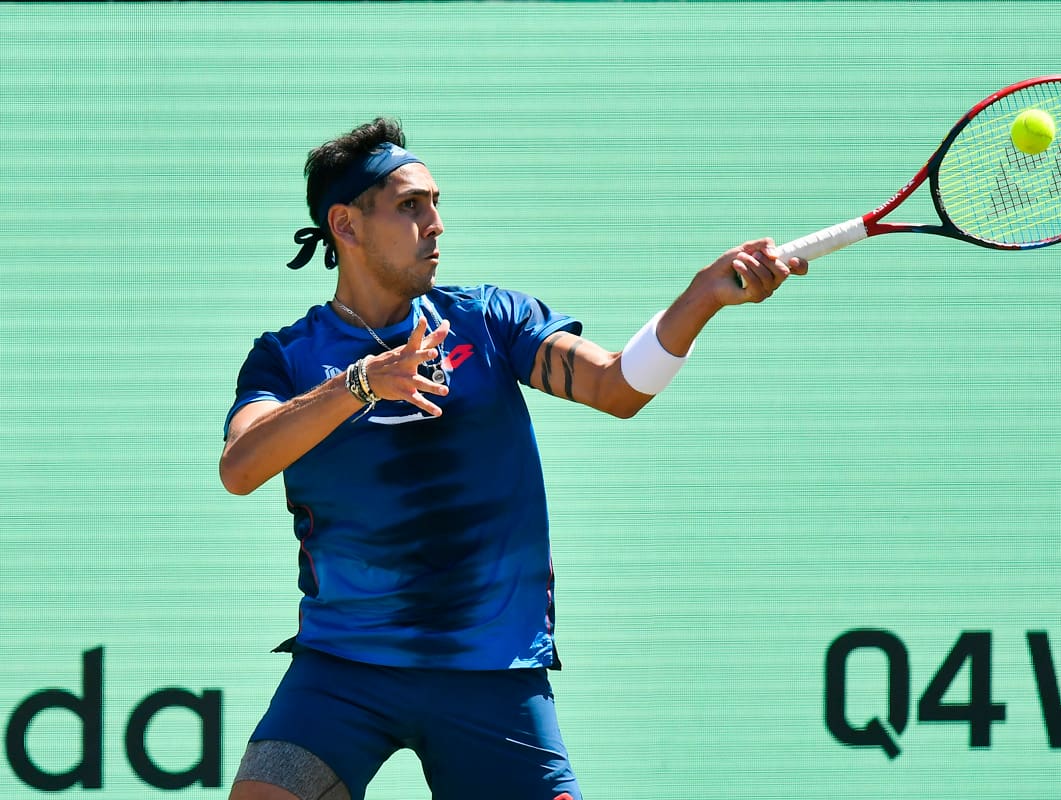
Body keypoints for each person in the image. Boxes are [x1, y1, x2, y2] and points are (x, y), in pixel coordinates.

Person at [220, 117, 806, 800]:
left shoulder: (489, 320)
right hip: (342, 671)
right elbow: (242, 466)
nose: (436, 223)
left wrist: (701, 299)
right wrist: (359, 384)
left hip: (492, 673)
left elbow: (617, 387)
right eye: (411, 206)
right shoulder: (284, 356)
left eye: (437, 203)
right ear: (345, 226)